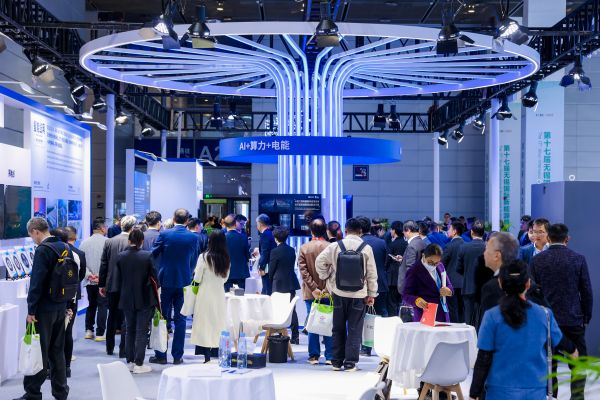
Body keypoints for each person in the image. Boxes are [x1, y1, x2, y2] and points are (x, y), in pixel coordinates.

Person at [469, 260, 578, 400]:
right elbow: (563, 343)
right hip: (535, 391)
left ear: (500, 283)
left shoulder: (491, 316)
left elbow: (484, 358)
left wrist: (474, 392)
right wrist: (573, 350)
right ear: (528, 284)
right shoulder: (544, 314)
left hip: (499, 391)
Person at [532, 223, 593, 400]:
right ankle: (577, 398)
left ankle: (551, 397)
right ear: (567, 239)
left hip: (547, 321)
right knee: (579, 363)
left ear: (548, 238)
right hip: (574, 319)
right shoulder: (578, 259)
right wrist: (586, 317)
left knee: (549, 365)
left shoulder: (537, 260)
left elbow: (532, 293)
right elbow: (586, 291)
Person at [14, 218, 70, 400]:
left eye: (31, 235)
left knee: (38, 350)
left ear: (36, 231)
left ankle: (33, 393)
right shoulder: (64, 246)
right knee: (57, 351)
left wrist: (31, 310)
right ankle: (61, 392)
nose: (33, 239)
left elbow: (36, 283)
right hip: (60, 306)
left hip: (43, 310)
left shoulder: (43, 250)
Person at [316, 218, 378, 372]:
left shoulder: (335, 246)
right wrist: (371, 294)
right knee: (355, 329)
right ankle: (350, 363)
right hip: (359, 295)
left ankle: (336, 362)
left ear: (345, 231)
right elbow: (372, 274)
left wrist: (327, 277)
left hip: (338, 293)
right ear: (361, 231)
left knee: (337, 328)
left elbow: (319, 262)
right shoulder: (366, 248)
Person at [150, 208, 199, 365]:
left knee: (162, 318)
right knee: (181, 319)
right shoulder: (193, 237)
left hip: (165, 281)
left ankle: (161, 355)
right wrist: (188, 272)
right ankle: (178, 356)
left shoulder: (165, 234)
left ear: (173, 218)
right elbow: (194, 259)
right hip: (184, 280)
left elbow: (152, 254)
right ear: (187, 221)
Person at [115, 229, 157, 374]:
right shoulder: (147, 255)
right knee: (141, 331)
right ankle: (139, 363)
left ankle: (130, 362)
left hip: (126, 297)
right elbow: (154, 278)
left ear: (129, 241)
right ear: (142, 241)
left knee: (129, 330)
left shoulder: (120, 256)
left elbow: (118, 278)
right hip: (144, 297)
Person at [99, 215, 137, 357]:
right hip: (128, 285)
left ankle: (109, 348)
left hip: (112, 284)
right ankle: (123, 349)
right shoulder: (133, 242)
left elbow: (104, 264)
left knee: (112, 315)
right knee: (127, 317)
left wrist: (101, 284)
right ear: (133, 227)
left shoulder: (109, 241)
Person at [191, 230, 230, 362]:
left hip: (204, 294)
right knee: (218, 323)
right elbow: (225, 279)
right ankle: (218, 352)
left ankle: (207, 356)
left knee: (205, 324)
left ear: (210, 241)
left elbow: (197, 278)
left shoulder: (203, 257)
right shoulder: (226, 258)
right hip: (219, 294)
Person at [298, 219, 332, 365]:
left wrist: (314, 288)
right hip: (328, 292)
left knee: (312, 322)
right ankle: (330, 356)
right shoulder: (331, 247)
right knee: (329, 322)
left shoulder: (304, 248)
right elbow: (334, 270)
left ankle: (314, 356)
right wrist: (325, 289)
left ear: (311, 231)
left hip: (310, 293)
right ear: (325, 230)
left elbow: (303, 271)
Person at [403, 244, 453, 322]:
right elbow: (406, 295)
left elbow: (449, 285)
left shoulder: (440, 266)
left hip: (443, 312)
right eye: (430, 262)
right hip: (425, 314)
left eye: (436, 262)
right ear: (423, 256)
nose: (433, 265)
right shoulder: (414, 271)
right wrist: (416, 300)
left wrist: (449, 291)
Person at [62, 226, 86, 378]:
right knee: (68, 330)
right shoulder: (79, 253)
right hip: (72, 296)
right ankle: (67, 366)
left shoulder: (57, 252)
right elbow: (80, 275)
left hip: (58, 298)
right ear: (75, 237)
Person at [269, 226, 301, 344]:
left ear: (275, 238)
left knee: (278, 308)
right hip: (291, 281)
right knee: (292, 310)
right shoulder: (291, 250)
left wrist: (270, 279)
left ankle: (280, 334)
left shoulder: (274, 251)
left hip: (278, 282)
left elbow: (272, 269)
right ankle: (295, 336)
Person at [479, 232, 520, 323]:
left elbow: (490, 325)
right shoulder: (527, 280)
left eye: (486, 249)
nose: (484, 253)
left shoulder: (492, 288)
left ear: (497, 255)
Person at [79, 217, 108, 341]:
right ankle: (100, 333)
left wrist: (89, 275)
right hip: (103, 281)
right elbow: (110, 262)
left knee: (91, 305)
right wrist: (100, 276)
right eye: (106, 227)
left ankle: (89, 331)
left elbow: (81, 263)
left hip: (89, 280)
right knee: (102, 306)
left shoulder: (84, 243)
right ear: (102, 228)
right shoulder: (108, 242)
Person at [456, 220, 486, 326]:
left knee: (469, 320)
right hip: (484, 289)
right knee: (483, 320)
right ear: (483, 232)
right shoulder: (488, 247)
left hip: (468, 287)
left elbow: (458, 268)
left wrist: (468, 274)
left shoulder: (464, 247)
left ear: (472, 232)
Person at [442, 221, 465, 323]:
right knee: (462, 310)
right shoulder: (466, 245)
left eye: (449, 229)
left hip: (451, 283)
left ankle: (454, 330)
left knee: (452, 310)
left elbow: (442, 264)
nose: (448, 231)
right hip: (464, 283)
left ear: (454, 231)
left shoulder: (449, 246)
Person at [396, 220, 426, 295]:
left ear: (408, 231)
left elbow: (410, 268)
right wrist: (403, 259)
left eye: (404, 231)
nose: (403, 233)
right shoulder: (422, 242)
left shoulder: (412, 246)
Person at [385, 221, 407, 317]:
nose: (390, 231)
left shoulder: (392, 244)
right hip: (404, 277)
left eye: (391, 229)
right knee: (402, 302)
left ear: (394, 230)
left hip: (393, 277)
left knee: (392, 303)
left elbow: (387, 261)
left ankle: (393, 322)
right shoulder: (407, 244)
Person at [224, 214, 250, 291]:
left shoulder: (222, 237)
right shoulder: (243, 237)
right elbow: (247, 255)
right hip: (241, 272)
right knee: (241, 295)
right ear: (235, 224)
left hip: (226, 271)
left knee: (227, 295)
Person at [255, 214, 276, 295]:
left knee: (266, 290)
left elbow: (265, 252)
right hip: (272, 265)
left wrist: (261, 267)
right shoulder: (271, 233)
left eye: (257, 223)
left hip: (267, 267)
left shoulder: (264, 235)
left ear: (260, 223)